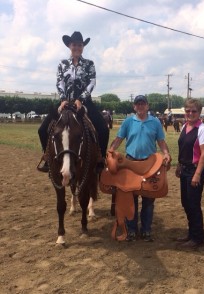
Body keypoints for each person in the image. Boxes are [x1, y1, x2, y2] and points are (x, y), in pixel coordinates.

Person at [37, 31, 109, 172]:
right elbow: (59, 82)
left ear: (83, 46)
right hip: (65, 102)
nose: (77, 47)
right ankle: (47, 157)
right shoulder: (62, 64)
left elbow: (91, 82)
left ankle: (100, 159)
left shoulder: (89, 64)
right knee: (42, 130)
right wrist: (63, 99)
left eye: (80, 45)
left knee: (103, 129)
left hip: (85, 102)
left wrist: (81, 99)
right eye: (74, 44)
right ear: (70, 46)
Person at [109, 95, 171, 242]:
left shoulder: (155, 122)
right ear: (134, 107)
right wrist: (110, 151)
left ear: (147, 106)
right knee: (130, 198)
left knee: (149, 199)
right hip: (130, 163)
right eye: (138, 104)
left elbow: (161, 141)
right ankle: (131, 230)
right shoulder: (128, 122)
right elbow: (119, 139)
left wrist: (166, 153)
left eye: (143, 104)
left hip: (150, 164)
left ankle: (146, 230)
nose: (141, 106)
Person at [175, 98, 204, 250]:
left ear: (199, 112)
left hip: (194, 170)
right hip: (184, 169)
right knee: (186, 203)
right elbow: (182, 148)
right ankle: (191, 233)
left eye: (194, 111)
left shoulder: (202, 129)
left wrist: (197, 174)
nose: (190, 113)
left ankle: (198, 238)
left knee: (193, 204)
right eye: (188, 110)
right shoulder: (184, 126)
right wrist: (178, 165)